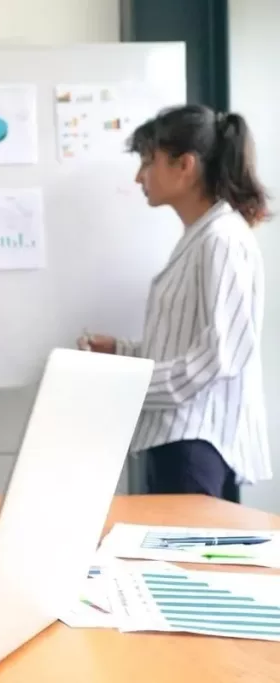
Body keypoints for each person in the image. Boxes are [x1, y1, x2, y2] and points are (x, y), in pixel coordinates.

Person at [78, 104, 271, 503]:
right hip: (178, 437)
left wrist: (128, 385)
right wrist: (122, 351)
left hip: (196, 443)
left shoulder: (222, 239)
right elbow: (184, 345)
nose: (139, 176)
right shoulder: (200, 237)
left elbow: (219, 357)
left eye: (148, 161)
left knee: (186, 562)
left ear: (185, 165)